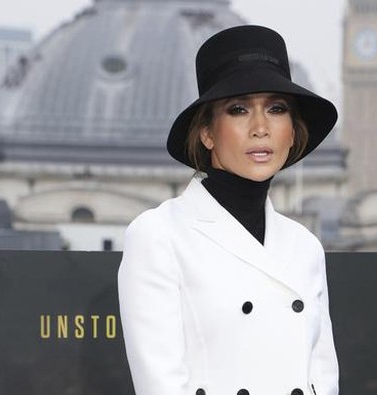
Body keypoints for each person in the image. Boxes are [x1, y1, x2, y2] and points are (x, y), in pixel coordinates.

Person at [118, 25, 339, 395]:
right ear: (207, 132)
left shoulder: (306, 247)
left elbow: (323, 379)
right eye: (238, 110)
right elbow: (160, 386)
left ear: (292, 131)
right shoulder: (159, 236)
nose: (260, 128)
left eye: (276, 109)